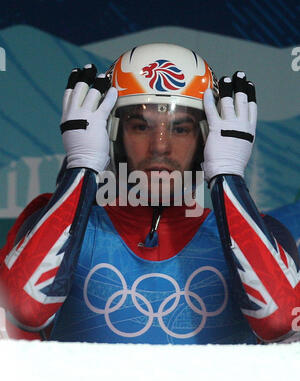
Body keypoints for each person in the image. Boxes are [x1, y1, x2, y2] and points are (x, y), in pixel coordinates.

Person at [0, 43, 299, 344]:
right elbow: (25, 310)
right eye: (141, 127)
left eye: (180, 129)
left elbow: (279, 321)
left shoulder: (266, 237)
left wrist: (228, 175)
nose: (160, 146)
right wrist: (82, 165)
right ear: (110, 134)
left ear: (208, 140)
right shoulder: (52, 228)